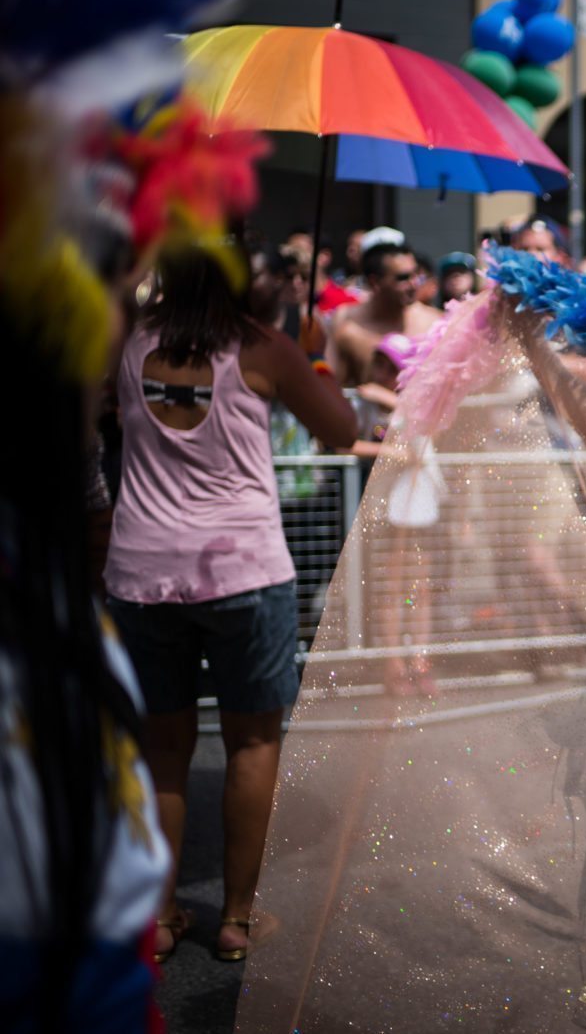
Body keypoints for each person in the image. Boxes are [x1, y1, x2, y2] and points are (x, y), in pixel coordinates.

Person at [104, 247, 356, 965]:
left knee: (162, 751)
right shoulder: (261, 345)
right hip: (245, 573)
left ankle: (156, 915)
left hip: (142, 571)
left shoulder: (125, 336)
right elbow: (339, 428)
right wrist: (314, 364)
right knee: (252, 741)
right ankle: (239, 918)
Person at [329, 242, 442, 386]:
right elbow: (334, 388)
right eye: (403, 278)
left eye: (416, 274)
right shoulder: (349, 326)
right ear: (375, 282)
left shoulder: (435, 322)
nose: (414, 284)